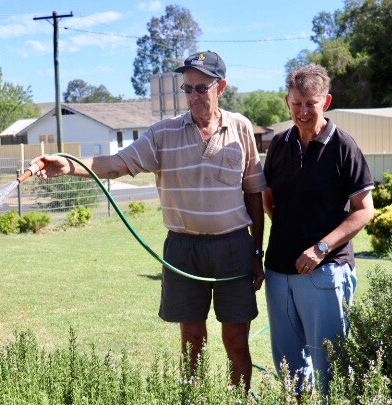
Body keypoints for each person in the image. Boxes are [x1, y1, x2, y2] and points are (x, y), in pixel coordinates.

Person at [32, 50, 266, 390]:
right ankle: (192, 397)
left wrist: (256, 252)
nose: (193, 96)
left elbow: (254, 195)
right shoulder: (163, 133)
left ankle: (239, 397)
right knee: (192, 338)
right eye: (187, 88)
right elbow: (115, 164)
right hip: (183, 247)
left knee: (236, 337)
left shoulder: (241, 128)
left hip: (233, 246)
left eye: (202, 88)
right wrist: (67, 164)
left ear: (221, 87)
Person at [261, 63, 375, 395]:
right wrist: (289, 231)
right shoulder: (280, 144)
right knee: (289, 368)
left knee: (331, 368)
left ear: (325, 101)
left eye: (310, 103)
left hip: (326, 271)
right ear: (287, 101)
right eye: (296, 103)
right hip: (279, 272)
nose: (302, 111)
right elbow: (269, 199)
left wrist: (320, 248)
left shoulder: (343, 146)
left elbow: (364, 210)